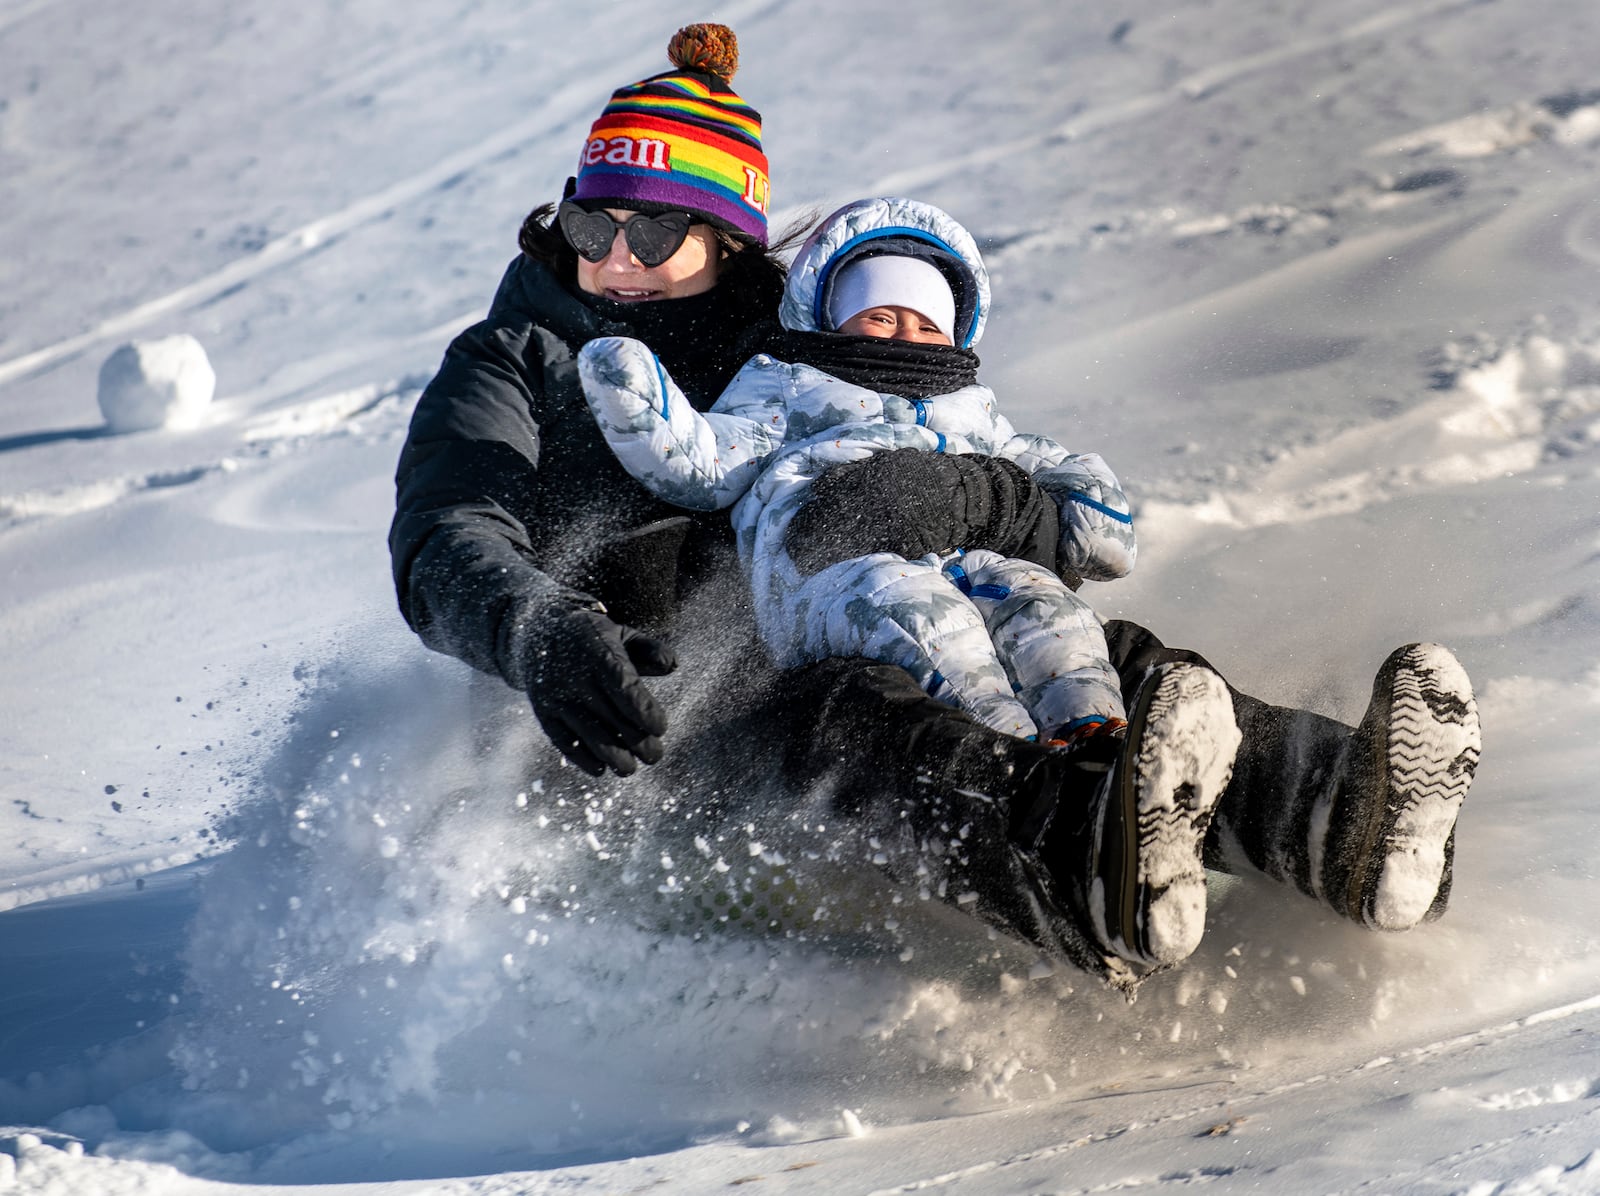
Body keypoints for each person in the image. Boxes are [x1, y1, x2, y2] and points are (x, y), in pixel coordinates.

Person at [388, 26, 1482, 996]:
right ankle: (1079, 871)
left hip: (853, 606)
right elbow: (445, 537)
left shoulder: (805, 324)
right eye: (591, 224)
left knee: (1097, 656)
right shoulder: (515, 361)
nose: (613, 258)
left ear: (724, 235)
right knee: (853, 714)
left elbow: (968, 437)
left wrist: (974, 494)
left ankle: (1336, 814)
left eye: (651, 230)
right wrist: (542, 629)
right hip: (652, 719)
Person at [576, 196, 1244, 970]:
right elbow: (706, 461)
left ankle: (1104, 748)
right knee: (929, 624)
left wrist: (1083, 502)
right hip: (835, 568)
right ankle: (1028, 766)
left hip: (973, 556)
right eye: (879, 315)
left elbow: (1050, 477)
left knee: (1049, 612)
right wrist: (637, 399)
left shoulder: (972, 407)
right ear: (829, 315)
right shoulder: (787, 383)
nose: (903, 333)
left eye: (926, 322)